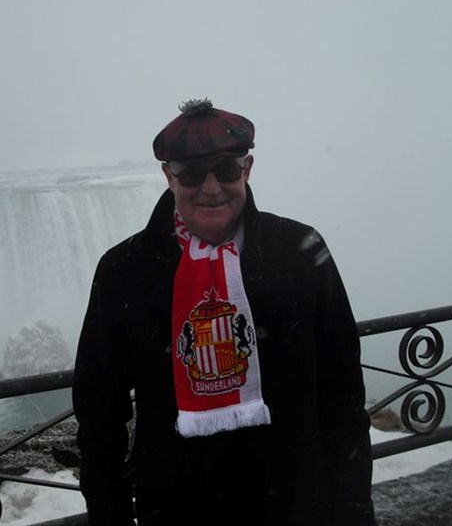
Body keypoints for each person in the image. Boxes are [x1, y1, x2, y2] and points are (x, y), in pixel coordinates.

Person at [73, 99, 376, 525]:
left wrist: (354, 512)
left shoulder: (301, 252)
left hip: (294, 502)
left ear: (247, 169)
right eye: (193, 174)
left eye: (227, 170)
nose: (212, 187)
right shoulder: (125, 271)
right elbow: (99, 415)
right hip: (177, 508)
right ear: (169, 176)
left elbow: (342, 396)